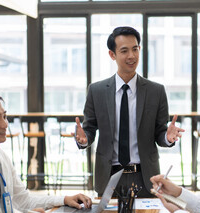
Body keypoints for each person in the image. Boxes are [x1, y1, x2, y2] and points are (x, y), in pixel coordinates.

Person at [74, 26, 184, 197]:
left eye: (135, 49)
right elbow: (89, 129)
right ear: (112, 54)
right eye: (124, 51)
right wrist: (83, 139)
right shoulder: (97, 91)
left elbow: (160, 133)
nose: (131, 56)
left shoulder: (156, 91)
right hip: (109, 176)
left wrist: (167, 138)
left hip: (145, 177)